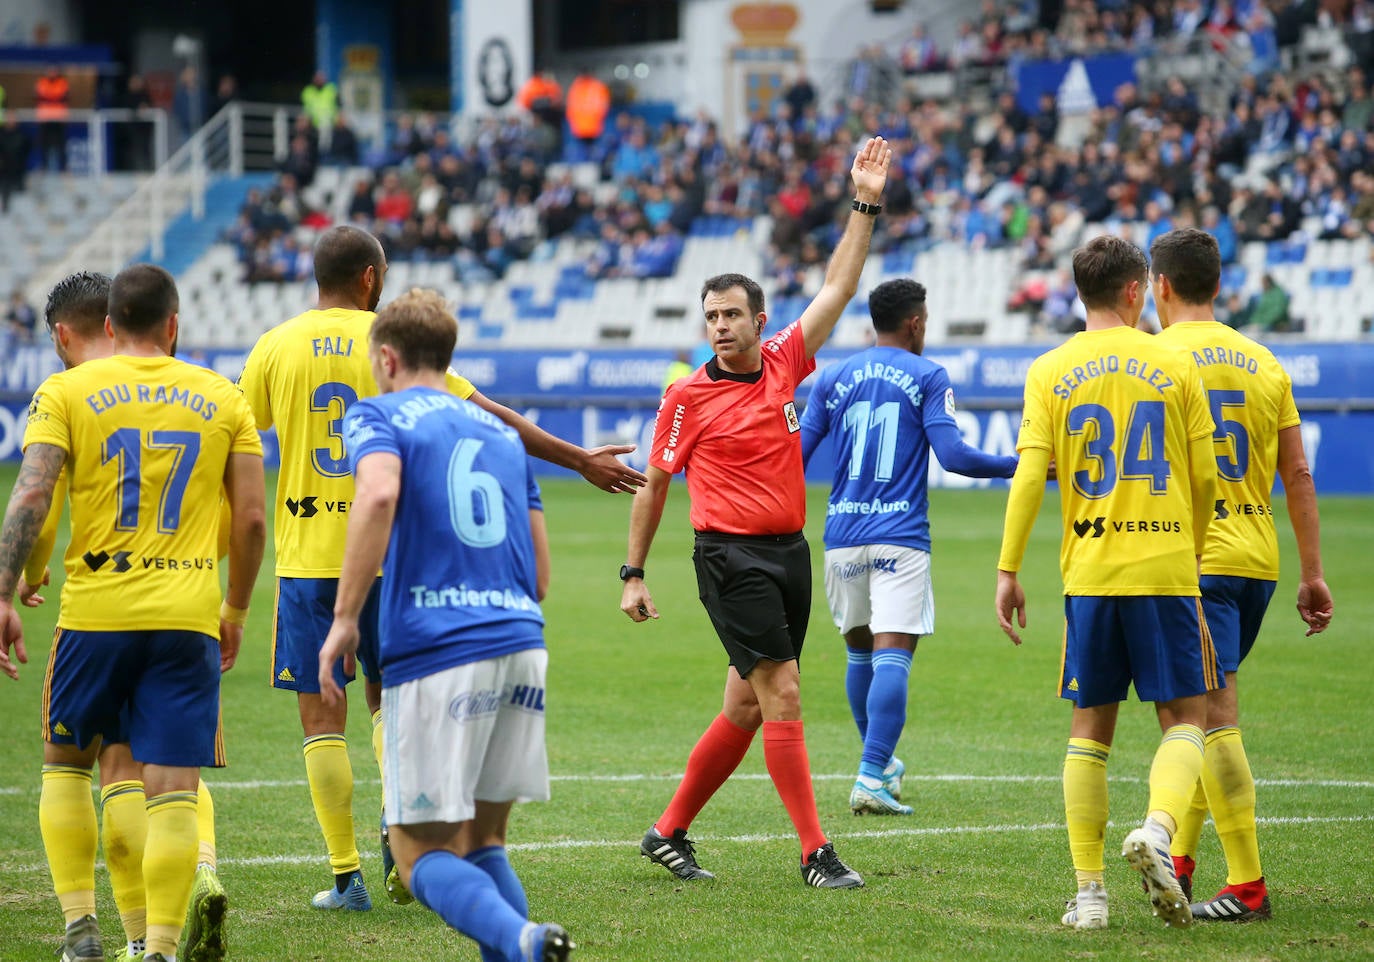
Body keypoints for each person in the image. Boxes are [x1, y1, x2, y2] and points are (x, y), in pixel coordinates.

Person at [238, 226, 644, 910]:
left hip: (309, 560)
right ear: (369, 277)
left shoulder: (277, 345)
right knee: (384, 705)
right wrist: (580, 459)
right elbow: (497, 420)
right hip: (398, 563)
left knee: (320, 719)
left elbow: (241, 442)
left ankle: (346, 878)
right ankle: (406, 847)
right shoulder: (395, 348)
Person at [621, 136, 892, 889]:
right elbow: (654, 484)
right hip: (729, 557)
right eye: (710, 316)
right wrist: (633, 572)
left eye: (732, 314)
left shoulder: (784, 360)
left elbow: (838, 289)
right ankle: (815, 852)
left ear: (758, 318)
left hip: (789, 556)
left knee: (744, 706)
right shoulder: (687, 398)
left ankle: (668, 831)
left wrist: (864, 202)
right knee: (784, 693)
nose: (719, 325)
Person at [0, 264, 267, 962]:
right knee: (174, 787)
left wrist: (5, 591)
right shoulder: (222, 396)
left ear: (110, 325)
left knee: (67, 766)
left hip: (94, 614)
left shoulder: (65, 390)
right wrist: (234, 607)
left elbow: (32, 497)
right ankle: (161, 950)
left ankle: (81, 931)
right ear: (175, 325)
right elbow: (251, 521)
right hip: (187, 616)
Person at [317, 288, 573, 962]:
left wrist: (346, 618)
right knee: (484, 843)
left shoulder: (380, 414)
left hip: (438, 651)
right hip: (520, 640)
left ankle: (522, 938)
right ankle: (522, 944)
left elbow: (375, 492)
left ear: (388, 358)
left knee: (417, 852)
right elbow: (541, 575)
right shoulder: (502, 436)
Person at [994, 234, 1221, 930]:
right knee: (1188, 717)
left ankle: (1090, 895)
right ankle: (1156, 830)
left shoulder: (1050, 368)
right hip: (1164, 565)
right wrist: (1196, 543)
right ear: (1134, 291)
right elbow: (1207, 474)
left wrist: (1008, 568)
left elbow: (1031, 475)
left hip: (1090, 574)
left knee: (1089, 730)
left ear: (1078, 291)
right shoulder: (1173, 361)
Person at [1151, 227, 1333, 921]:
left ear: (1160, 286)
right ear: (1218, 286)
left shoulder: (1154, 358)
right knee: (1202, 713)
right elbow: (1299, 474)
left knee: (1209, 719)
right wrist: (1312, 574)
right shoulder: (1265, 362)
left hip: (1192, 560)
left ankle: (1248, 886)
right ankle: (1185, 864)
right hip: (1257, 561)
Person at [800, 279, 1018, 816]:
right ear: (917, 322)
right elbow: (955, 456)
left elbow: (795, 454)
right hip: (899, 536)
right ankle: (872, 774)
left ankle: (879, 762)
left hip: (841, 536)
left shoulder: (831, 377)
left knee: (859, 652)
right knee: (892, 653)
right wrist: (1022, 464)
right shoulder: (928, 375)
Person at [35, 64, 70, 172]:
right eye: (50, 70)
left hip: (59, 118)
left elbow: (60, 96)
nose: (52, 73)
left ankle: (64, 168)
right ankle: (44, 167)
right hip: (45, 118)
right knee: (44, 144)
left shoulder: (62, 82)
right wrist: (53, 97)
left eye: (54, 70)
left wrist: (51, 97)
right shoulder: (41, 82)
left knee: (61, 145)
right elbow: (43, 95)